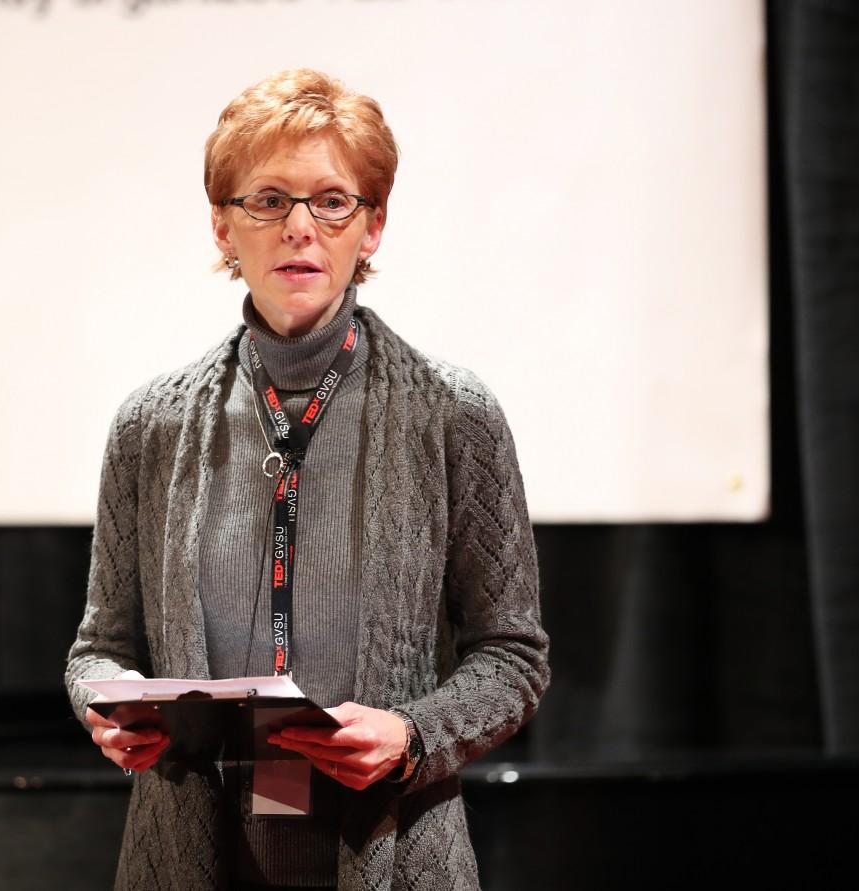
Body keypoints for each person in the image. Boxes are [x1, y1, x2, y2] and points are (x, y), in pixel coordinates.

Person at [65, 68, 549, 891]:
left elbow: (514, 655)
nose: (300, 228)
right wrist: (112, 705)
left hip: (393, 855)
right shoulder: (152, 424)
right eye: (268, 200)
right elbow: (99, 648)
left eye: (331, 201)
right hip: (191, 856)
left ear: (373, 227)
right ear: (222, 225)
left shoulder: (452, 413)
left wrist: (414, 732)